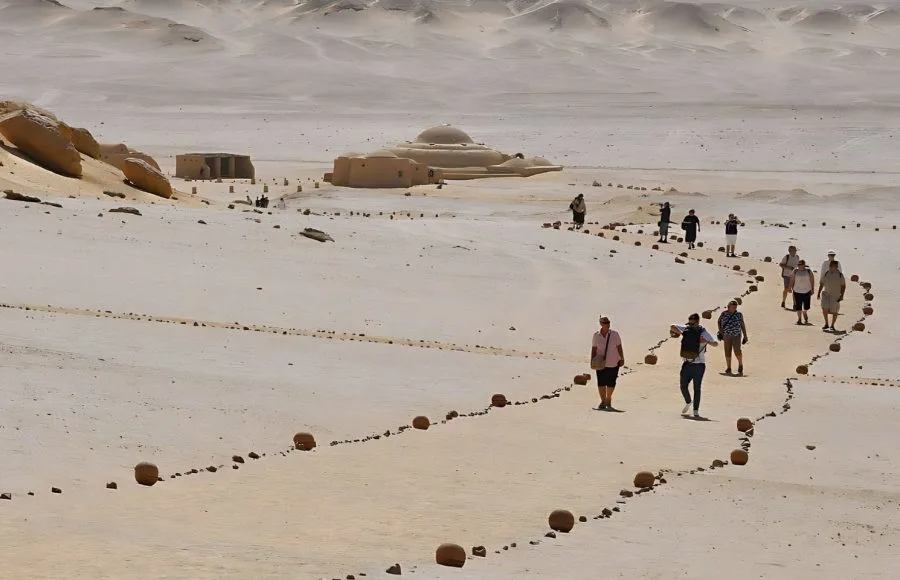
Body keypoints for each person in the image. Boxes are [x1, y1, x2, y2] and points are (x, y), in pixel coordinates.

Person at [670, 313, 718, 418]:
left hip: (699, 365)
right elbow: (672, 326)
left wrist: (706, 341)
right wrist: (682, 332)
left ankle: (696, 411)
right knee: (683, 386)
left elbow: (715, 343)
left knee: (697, 388)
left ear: (697, 321)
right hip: (687, 363)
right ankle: (688, 401)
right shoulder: (686, 329)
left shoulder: (703, 332)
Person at [590, 316, 625, 411]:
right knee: (601, 382)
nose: (607, 325)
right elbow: (594, 348)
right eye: (605, 323)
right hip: (600, 363)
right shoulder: (596, 335)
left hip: (613, 362)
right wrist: (592, 361)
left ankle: (608, 397)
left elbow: (619, 347)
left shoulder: (615, 334)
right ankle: (603, 401)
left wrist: (622, 358)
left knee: (611, 382)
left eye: (608, 323)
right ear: (601, 324)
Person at [717, 300, 748, 376]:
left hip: (736, 335)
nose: (734, 308)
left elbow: (742, 325)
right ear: (729, 307)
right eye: (733, 306)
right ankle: (728, 367)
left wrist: (745, 335)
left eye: (735, 306)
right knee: (727, 351)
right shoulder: (724, 314)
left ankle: (740, 364)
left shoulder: (739, 314)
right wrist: (721, 332)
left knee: (737, 350)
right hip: (726, 335)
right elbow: (719, 322)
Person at [818, 260, 846, 331]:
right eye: (830, 266)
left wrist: (842, 295)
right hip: (826, 294)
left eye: (832, 266)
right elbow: (821, 283)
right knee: (824, 309)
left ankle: (832, 325)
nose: (831, 268)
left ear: (836, 267)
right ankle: (826, 323)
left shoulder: (840, 275)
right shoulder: (826, 273)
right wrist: (818, 292)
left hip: (835, 295)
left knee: (834, 311)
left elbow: (843, 286)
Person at [789, 259, 815, 325]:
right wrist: (790, 288)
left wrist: (812, 289)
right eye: (798, 264)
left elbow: (812, 280)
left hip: (807, 291)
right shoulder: (795, 271)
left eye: (800, 264)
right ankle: (799, 319)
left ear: (804, 265)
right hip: (797, 291)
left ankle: (805, 314)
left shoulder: (808, 271)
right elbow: (792, 280)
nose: (799, 266)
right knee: (798, 306)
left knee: (805, 307)